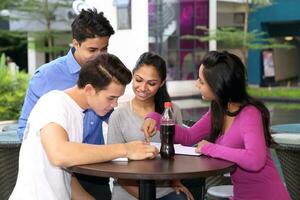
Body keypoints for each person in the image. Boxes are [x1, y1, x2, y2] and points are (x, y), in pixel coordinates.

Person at [143, 51, 291, 200]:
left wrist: (210, 148)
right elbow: (189, 137)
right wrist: (155, 117)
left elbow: (255, 160)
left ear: (218, 85)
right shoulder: (218, 110)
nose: (196, 84)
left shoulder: (250, 114)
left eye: (201, 81)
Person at [9, 53, 158, 200]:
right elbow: (59, 155)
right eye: (111, 98)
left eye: (117, 98)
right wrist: (126, 149)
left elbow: (64, 175)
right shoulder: (54, 103)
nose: (115, 104)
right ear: (89, 90)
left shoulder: (76, 112)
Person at [17, 9, 115, 199]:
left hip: (96, 169)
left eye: (105, 49)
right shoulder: (46, 77)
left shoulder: (106, 71)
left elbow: (112, 115)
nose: (100, 57)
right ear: (75, 43)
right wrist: (59, 148)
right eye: (93, 50)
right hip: (59, 170)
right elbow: (25, 130)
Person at [107, 52, 195, 200]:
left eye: (151, 83)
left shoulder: (172, 111)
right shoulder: (118, 115)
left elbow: (178, 154)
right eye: (138, 80)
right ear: (133, 75)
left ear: (161, 83)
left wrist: (176, 181)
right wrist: (147, 197)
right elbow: (115, 168)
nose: (143, 87)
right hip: (130, 193)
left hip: (166, 190)